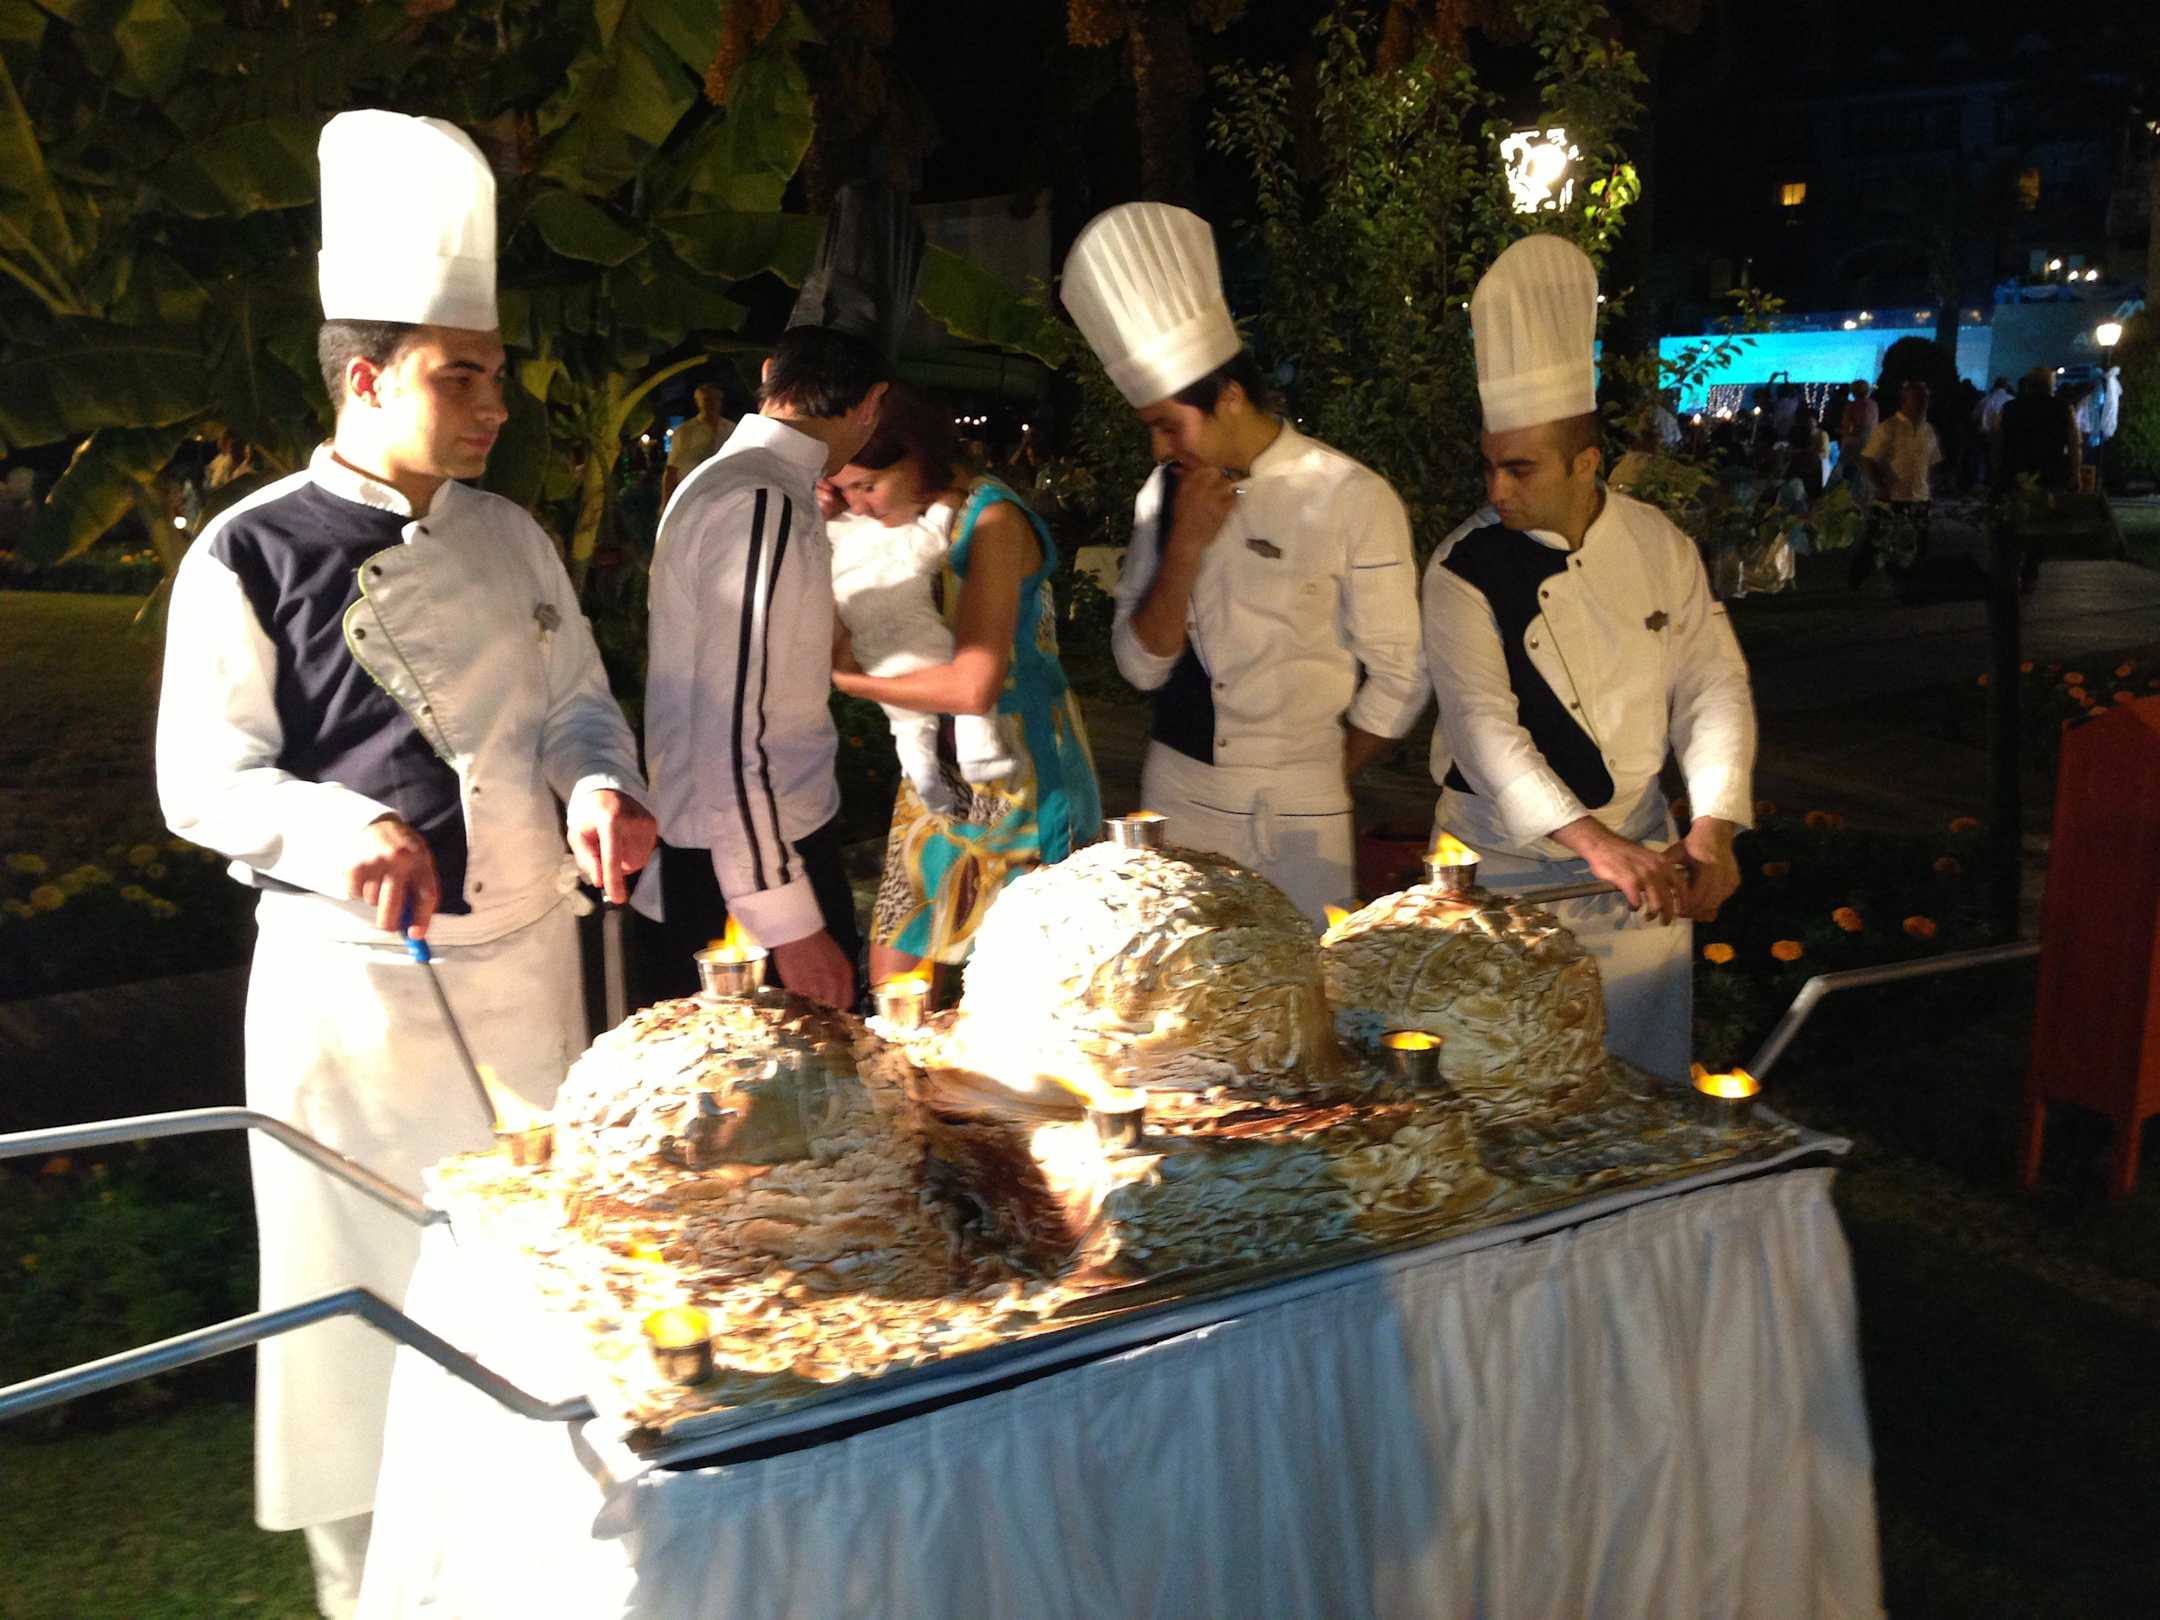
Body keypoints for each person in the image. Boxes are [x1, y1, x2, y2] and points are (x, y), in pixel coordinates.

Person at [155, 112, 655, 1619]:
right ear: (365, 378)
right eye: (461, 376)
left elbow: (578, 704)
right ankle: (368, 1594)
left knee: (542, 1293)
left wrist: (600, 785)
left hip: (533, 978)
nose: (495, 403)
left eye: (495, 373)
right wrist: (338, 829)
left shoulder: (513, 538)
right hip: (359, 1007)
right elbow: (203, 779)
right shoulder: (246, 552)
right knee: (358, 1316)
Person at [1420, 234, 1757, 1081]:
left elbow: (1712, 686)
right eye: (1491, 467)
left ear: (1587, 462)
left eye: (1520, 469)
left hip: (1641, 878)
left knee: (1637, 1091)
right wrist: (1596, 845)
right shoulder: (1460, 569)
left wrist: (1712, 827)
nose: (1497, 490)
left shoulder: (1658, 543)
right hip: (1499, 875)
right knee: (1495, 1096)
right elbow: (1485, 735)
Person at [1060, 202, 1427, 923]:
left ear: (1228, 397)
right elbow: (1140, 668)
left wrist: (1319, 773)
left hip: (1302, 809)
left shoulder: (1352, 494)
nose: (1160, 448)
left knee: (1308, 979)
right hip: (1179, 793)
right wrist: (1185, 545)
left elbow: (1401, 675)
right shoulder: (1162, 495)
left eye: (1169, 426)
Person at [634, 181, 916, 1010]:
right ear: (873, 405)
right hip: (749, 871)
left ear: (768, 375)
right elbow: (733, 728)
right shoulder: (760, 501)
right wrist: (788, 922)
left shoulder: (734, 480)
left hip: (741, 851)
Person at [827, 386, 1102, 982]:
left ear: (917, 457)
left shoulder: (993, 520)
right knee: (897, 953)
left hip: (1020, 767)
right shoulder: (903, 519)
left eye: (867, 486)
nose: (859, 506)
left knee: (1031, 969)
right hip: (940, 755)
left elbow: (975, 686)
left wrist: (851, 682)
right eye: (844, 490)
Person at [1851, 379, 1942, 586]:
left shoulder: (1927, 430)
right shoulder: (1889, 428)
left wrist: (1930, 485)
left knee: (1919, 543)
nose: (1924, 403)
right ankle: (1858, 578)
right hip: (1892, 498)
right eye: (1918, 399)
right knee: (1876, 541)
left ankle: (1910, 582)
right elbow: (1868, 459)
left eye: (1926, 399)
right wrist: (1880, 485)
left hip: (1920, 497)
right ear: (1904, 401)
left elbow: (1932, 461)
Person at [1998, 366, 2082, 590]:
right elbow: (2074, 443)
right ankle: (2030, 571)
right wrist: (2075, 473)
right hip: (2049, 474)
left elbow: (1999, 442)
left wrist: (1997, 472)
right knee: (2040, 524)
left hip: (2015, 472)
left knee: (2013, 520)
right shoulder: (2063, 408)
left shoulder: (2010, 408)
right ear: (2050, 385)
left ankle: (2011, 566)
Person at [659, 382, 735, 510]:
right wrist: (666, 504)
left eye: (716, 399)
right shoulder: (684, 432)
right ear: (698, 402)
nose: (712, 404)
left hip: (725, 497)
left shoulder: (731, 429)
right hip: (694, 498)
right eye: (707, 400)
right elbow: (671, 470)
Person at [1838, 376, 1879, 498]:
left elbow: (1846, 426)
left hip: (1855, 442)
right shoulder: (1874, 404)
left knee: (1849, 474)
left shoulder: (1852, 406)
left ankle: (1847, 497)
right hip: (1872, 442)